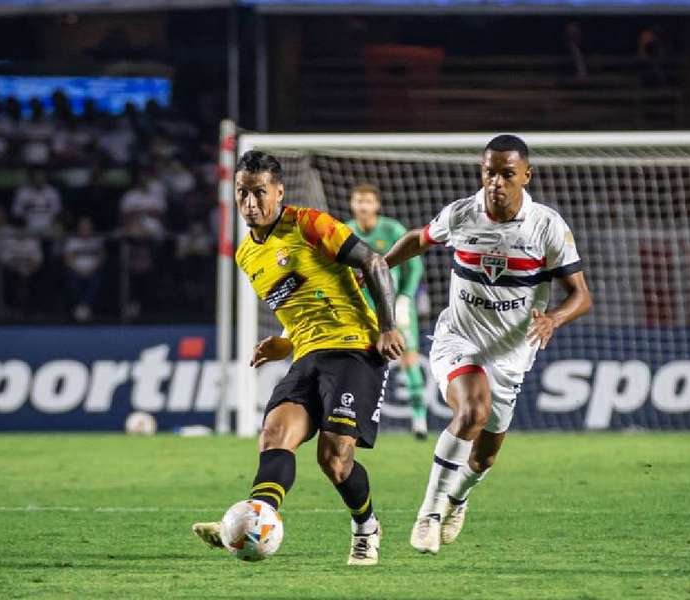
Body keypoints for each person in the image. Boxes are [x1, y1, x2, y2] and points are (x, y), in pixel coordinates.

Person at [192, 151, 405, 566]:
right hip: (307, 353)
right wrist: (284, 343)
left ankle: (366, 526)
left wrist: (387, 326)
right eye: (242, 193)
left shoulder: (308, 224)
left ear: (279, 192)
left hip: (354, 348)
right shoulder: (245, 255)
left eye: (259, 193)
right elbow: (301, 301)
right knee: (274, 434)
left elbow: (374, 262)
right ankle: (250, 521)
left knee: (335, 459)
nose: (250, 203)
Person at [384, 134, 592, 554]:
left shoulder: (546, 226)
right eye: (488, 172)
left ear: (526, 176)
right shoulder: (463, 213)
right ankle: (428, 513)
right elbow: (419, 238)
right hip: (459, 339)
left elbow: (581, 295)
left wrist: (553, 318)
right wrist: (380, 264)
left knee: (484, 459)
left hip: (511, 354)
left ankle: (458, 499)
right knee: (472, 409)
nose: (495, 182)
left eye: (506, 174)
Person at [345, 183, 428, 439]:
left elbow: (414, 267)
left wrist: (405, 296)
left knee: (408, 358)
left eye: (368, 201)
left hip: (395, 305)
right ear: (352, 204)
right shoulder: (346, 231)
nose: (363, 206)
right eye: (359, 201)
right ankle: (356, 418)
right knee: (360, 362)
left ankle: (419, 420)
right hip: (362, 306)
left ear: (377, 205)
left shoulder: (392, 230)